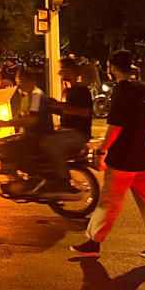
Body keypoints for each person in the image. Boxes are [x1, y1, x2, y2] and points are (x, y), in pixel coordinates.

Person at [71, 50, 145, 260]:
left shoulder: (121, 91)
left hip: (122, 156)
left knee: (109, 200)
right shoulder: (142, 88)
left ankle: (93, 242)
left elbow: (116, 126)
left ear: (113, 67)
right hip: (140, 153)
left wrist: (103, 149)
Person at [41, 58, 93, 195]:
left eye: (64, 69)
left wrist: (61, 106)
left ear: (73, 72)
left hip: (78, 133)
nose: (60, 72)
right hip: (66, 131)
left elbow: (84, 112)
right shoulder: (67, 91)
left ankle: (64, 180)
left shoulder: (82, 90)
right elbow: (64, 110)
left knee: (49, 144)